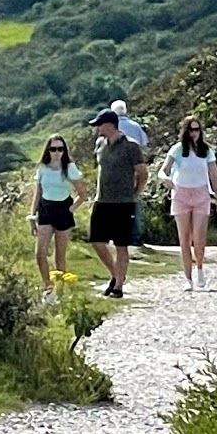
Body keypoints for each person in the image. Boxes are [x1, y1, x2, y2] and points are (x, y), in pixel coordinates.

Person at [158, 115, 217, 292]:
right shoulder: (178, 149)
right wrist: (165, 179)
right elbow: (163, 170)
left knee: (199, 237)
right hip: (181, 193)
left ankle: (200, 268)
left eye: (197, 130)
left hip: (201, 193)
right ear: (185, 131)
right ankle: (187, 278)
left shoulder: (206, 151)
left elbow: (214, 176)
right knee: (184, 238)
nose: (194, 133)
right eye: (191, 130)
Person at [84, 110, 147, 299]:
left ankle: (119, 285)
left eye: (100, 124)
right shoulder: (100, 144)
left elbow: (142, 172)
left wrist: (135, 192)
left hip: (123, 202)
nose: (97, 128)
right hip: (102, 200)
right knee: (96, 240)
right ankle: (115, 273)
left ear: (110, 125)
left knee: (121, 244)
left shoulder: (130, 146)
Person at [28, 134, 86, 302]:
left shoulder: (70, 168)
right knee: (40, 253)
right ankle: (48, 288)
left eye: (60, 149)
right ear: (48, 150)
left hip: (63, 209)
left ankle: (60, 291)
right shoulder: (43, 168)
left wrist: (71, 209)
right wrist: (33, 216)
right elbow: (37, 193)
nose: (57, 153)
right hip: (45, 209)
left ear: (64, 151)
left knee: (60, 255)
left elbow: (82, 194)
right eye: (53, 149)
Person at [110, 99, 149, 248]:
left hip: (116, 171)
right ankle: (136, 235)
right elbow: (144, 144)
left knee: (114, 202)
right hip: (135, 168)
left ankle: (117, 233)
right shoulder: (135, 126)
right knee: (134, 200)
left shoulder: (112, 127)